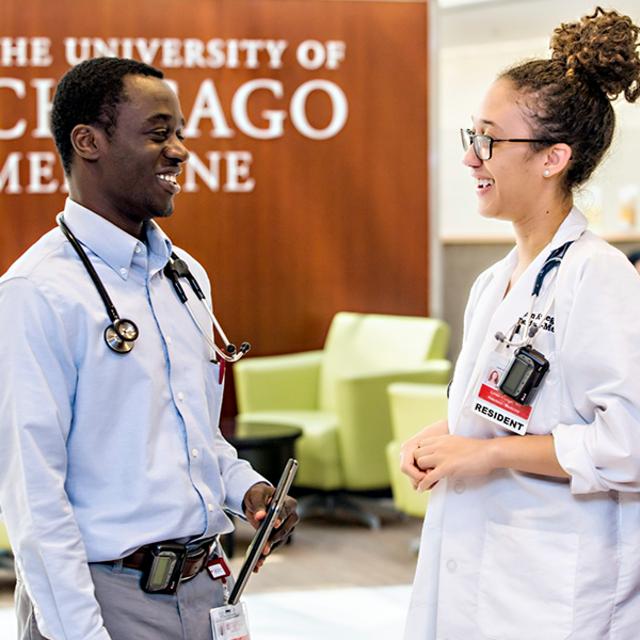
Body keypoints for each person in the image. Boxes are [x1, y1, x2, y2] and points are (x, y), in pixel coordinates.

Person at [0, 57, 298, 640]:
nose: (181, 151)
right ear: (88, 142)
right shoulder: (36, 293)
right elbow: (34, 501)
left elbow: (194, 438)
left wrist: (246, 489)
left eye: (181, 133)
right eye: (159, 133)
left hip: (206, 587)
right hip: (100, 602)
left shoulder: (185, 277)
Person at [401, 7, 640, 640]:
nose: (471, 158)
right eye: (470, 137)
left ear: (552, 158)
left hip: (555, 587)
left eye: (489, 141)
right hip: (484, 569)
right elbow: (505, 408)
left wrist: (484, 454)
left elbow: (630, 444)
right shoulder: (495, 281)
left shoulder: (601, 276)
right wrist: (445, 435)